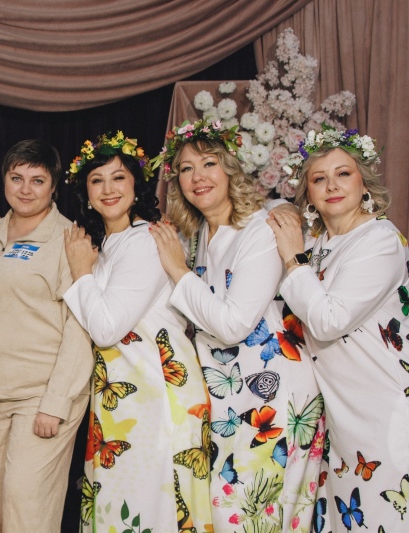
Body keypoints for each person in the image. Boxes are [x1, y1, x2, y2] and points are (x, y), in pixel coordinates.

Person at [148, 119, 323, 532]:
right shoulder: (198, 235)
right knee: (233, 516)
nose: (198, 177)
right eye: (186, 168)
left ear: (230, 169)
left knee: (259, 518)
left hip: (273, 395)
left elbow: (233, 325)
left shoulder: (260, 229)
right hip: (228, 399)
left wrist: (177, 270)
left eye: (209, 164)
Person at [62, 131, 213, 532]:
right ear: (86, 192)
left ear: (136, 185)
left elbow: (106, 328)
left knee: (153, 505)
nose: (108, 189)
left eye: (119, 178)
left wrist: (81, 273)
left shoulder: (145, 240)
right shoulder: (103, 244)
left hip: (157, 393)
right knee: (122, 503)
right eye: (97, 180)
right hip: (123, 396)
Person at [267, 126, 409, 532]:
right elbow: (269, 208)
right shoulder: (319, 244)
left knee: (386, 517)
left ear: (364, 182)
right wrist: (288, 217)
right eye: (319, 178)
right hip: (340, 417)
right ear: (308, 193)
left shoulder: (380, 239)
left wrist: (292, 260)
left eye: (343, 173)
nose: (332, 186)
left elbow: (329, 321)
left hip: (383, 407)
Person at [0, 139, 93, 532]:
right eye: (16, 177)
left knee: (27, 511)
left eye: (38, 180)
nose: (25, 189)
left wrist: (56, 402)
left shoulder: (68, 240)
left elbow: (80, 327)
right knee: (3, 508)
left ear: (54, 187)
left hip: (41, 396)